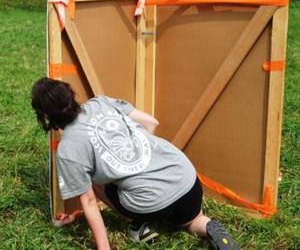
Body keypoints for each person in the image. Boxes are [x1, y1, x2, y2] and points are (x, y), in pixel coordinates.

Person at [30, 78, 240, 250]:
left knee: (90, 180)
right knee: (193, 220)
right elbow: (151, 122)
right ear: (71, 95)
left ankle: (141, 224)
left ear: (45, 115)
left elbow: (90, 202)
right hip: (187, 180)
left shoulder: (68, 149)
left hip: (151, 201)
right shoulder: (100, 103)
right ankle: (209, 227)